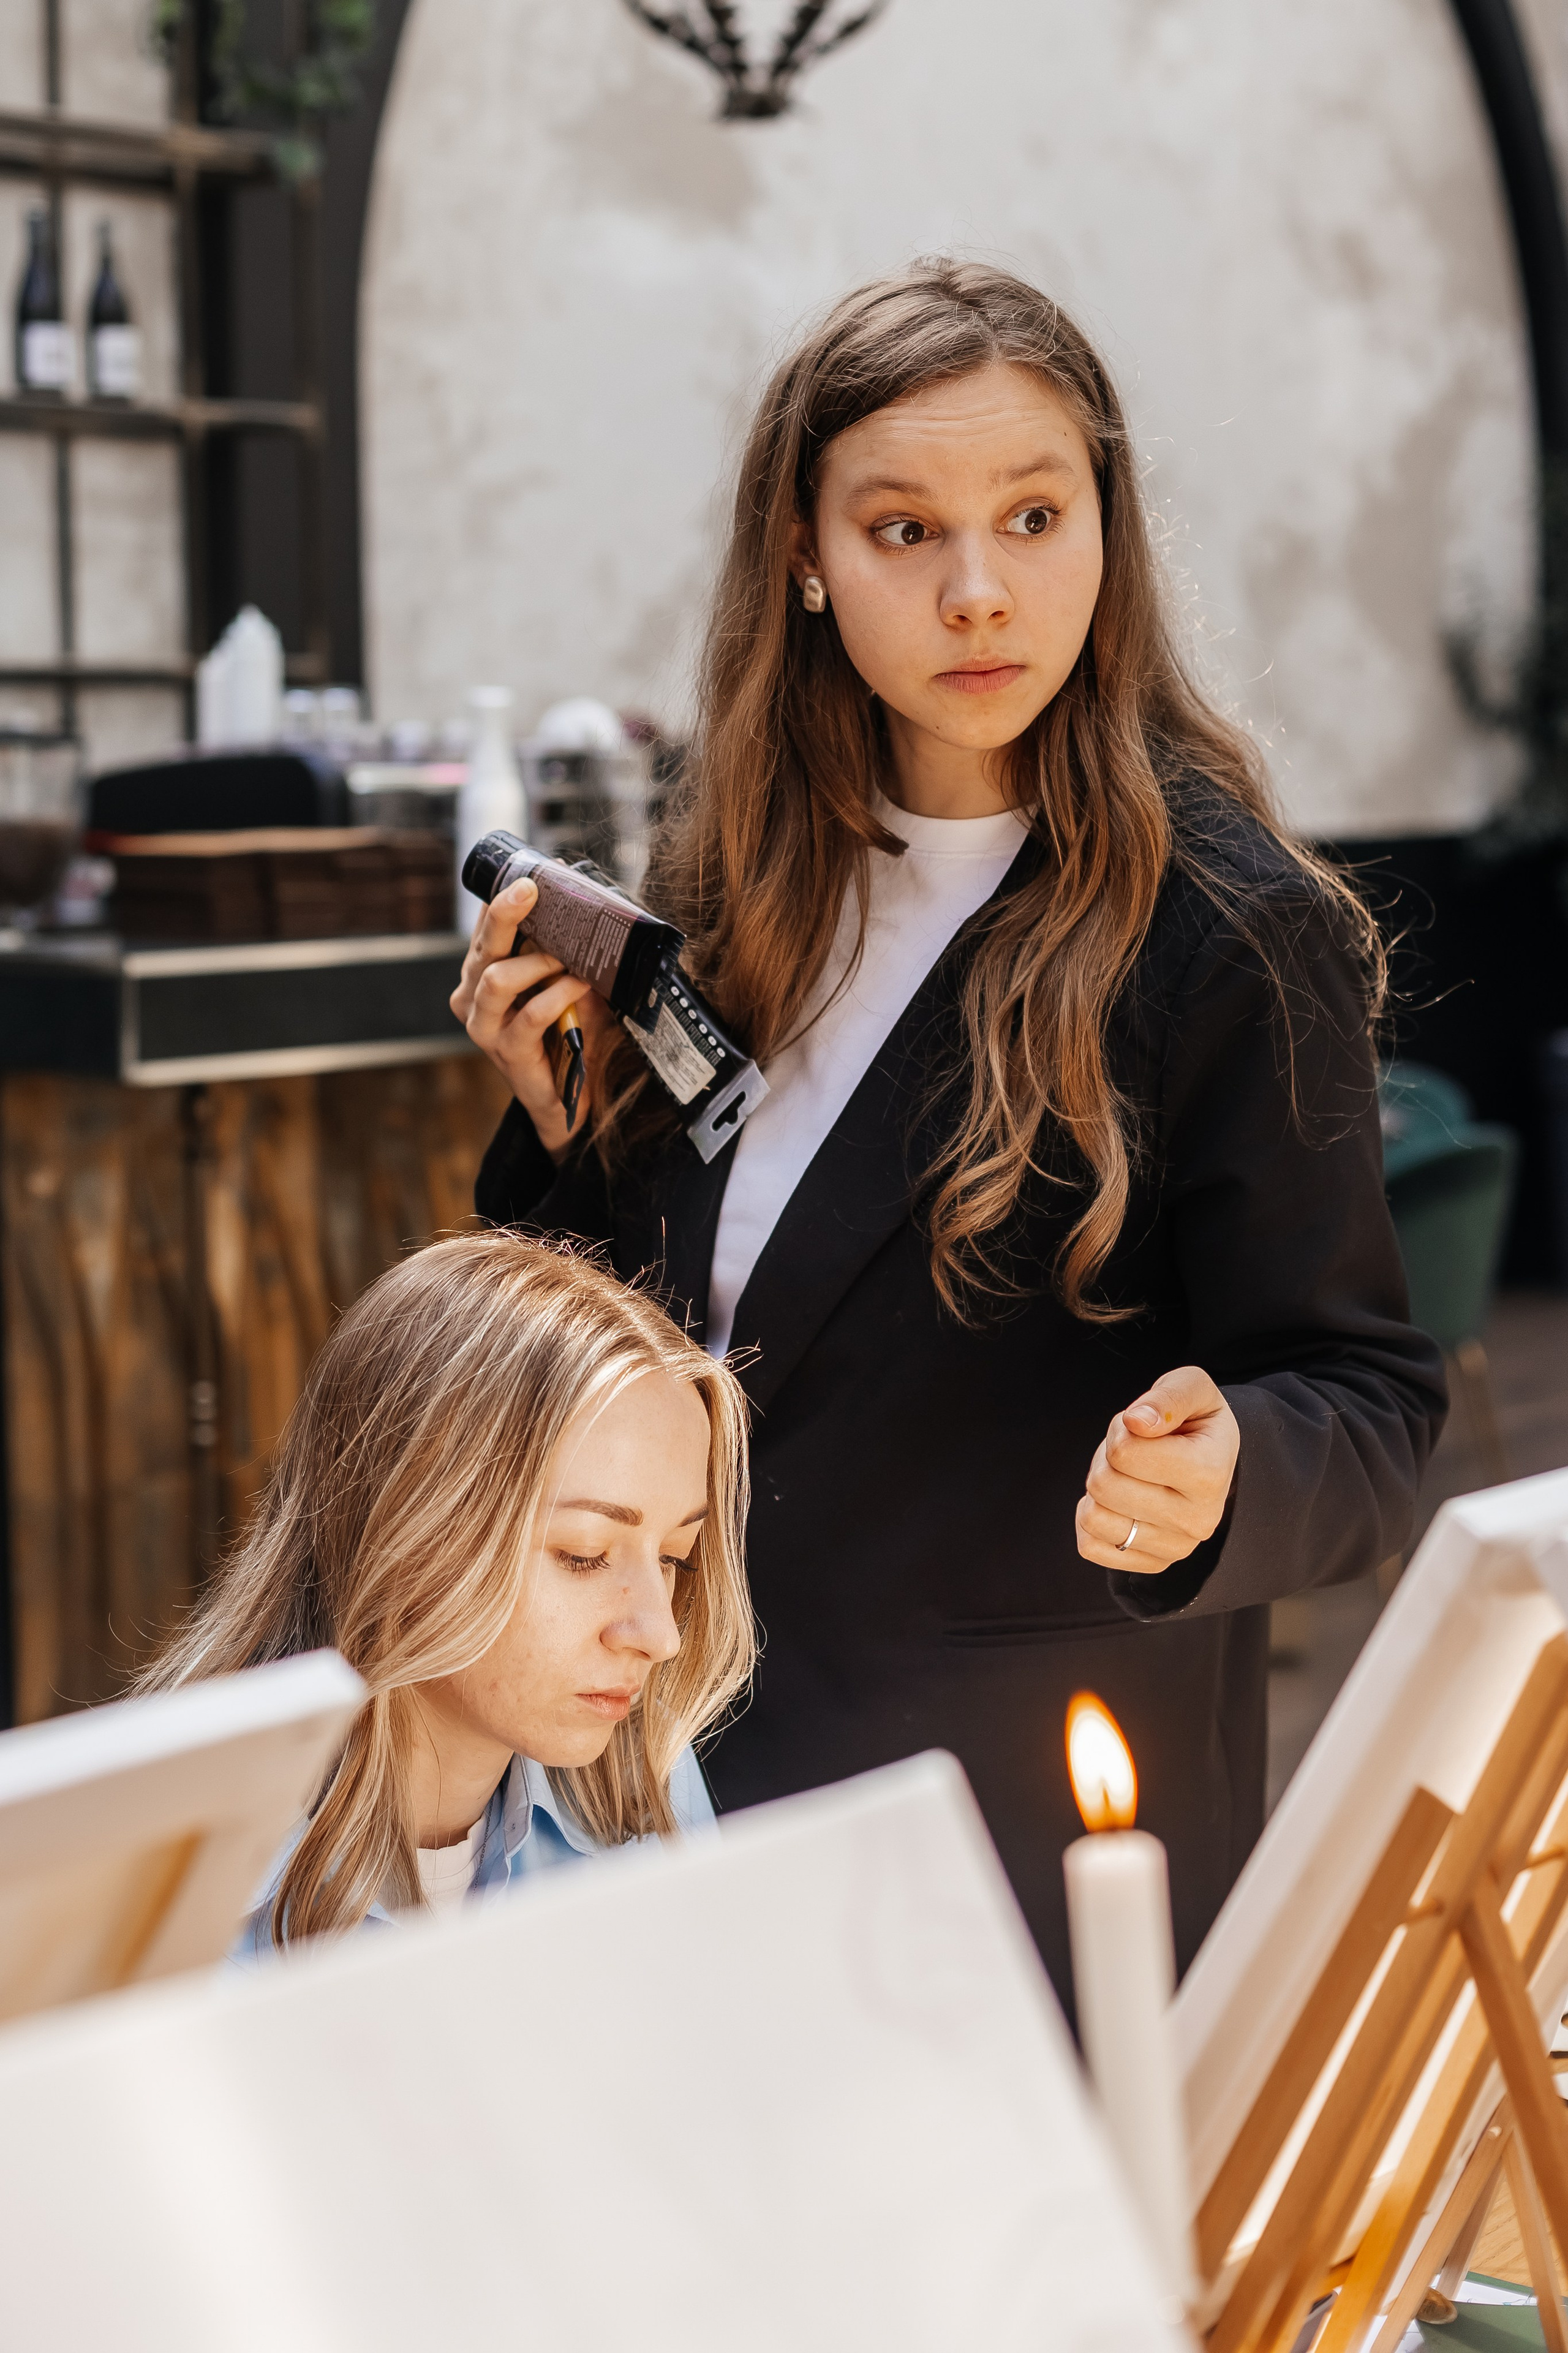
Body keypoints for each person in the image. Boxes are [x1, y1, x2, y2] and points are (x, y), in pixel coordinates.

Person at [453, 260, 1447, 2009]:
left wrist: (1223, 1474)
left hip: (1011, 1843)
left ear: (1104, 534)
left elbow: (1365, 1407)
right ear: (806, 557)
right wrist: (552, 1134)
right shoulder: (732, 896)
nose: (980, 591)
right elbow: (671, 1353)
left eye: (1034, 516)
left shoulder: (1225, 929)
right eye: (904, 531)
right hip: (668, 1793)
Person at [137, 1231, 755, 1952]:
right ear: (409, 1527)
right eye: (584, 1554)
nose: (659, 1634)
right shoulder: (154, 1877)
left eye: (676, 1556)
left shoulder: (647, 1787)